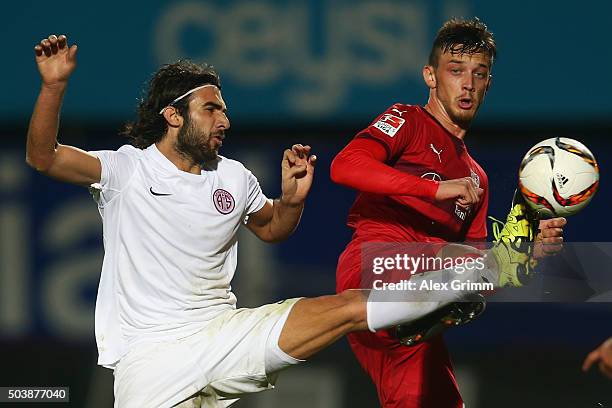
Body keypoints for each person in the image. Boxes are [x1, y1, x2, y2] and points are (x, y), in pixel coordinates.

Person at [27, 33, 537, 408]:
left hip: (224, 334)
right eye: (211, 109)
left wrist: (291, 201)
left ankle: (454, 283)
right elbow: (45, 157)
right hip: (151, 361)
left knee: (350, 307)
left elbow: (271, 229)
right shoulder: (126, 168)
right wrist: (53, 87)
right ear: (173, 115)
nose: (224, 120)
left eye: (224, 109)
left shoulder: (232, 177)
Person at [331, 18, 567, 407]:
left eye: (479, 74)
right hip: (372, 266)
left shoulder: (477, 177)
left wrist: (530, 254)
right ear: (431, 76)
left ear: (488, 83)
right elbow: (346, 165)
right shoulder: (407, 120)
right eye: (455, 71)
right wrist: (434, 189)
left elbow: (480, 275)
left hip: (421, 304)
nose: (468, 84)